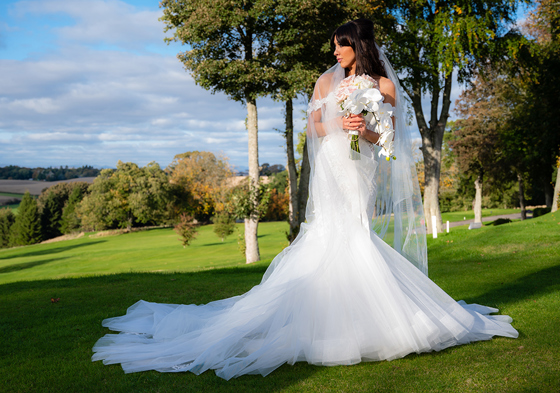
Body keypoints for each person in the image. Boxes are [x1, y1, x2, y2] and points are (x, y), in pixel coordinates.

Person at [92, 19, 518, 380]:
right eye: (334, 46)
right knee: (328, 231)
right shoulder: (323, 81)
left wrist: (363, 129)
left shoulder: (384, 85)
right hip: (332, 162)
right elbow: (312, 129)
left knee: (356, 230)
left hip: (360, 163)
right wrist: (337, 121)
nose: (335, 52)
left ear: (359, 47)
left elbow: (388, 139)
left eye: (341, 46)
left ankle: (366, 319)